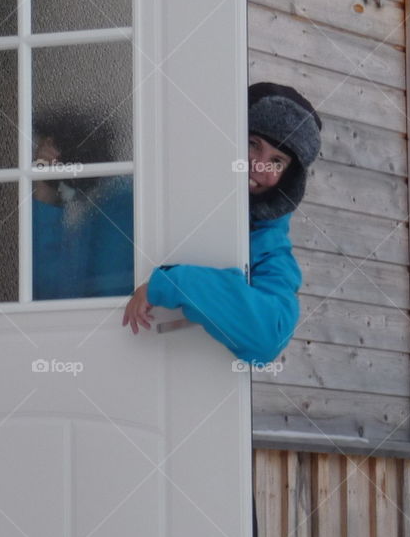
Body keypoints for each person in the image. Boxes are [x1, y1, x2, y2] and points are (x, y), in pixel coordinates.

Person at [121, 82, 322, 364]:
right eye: (253, 144)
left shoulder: (268, 242)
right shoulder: (154, 187)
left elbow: (268, 336)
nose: (259, 166)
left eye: (277, 161)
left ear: (287, 179)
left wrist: (173, 283)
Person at [32, 113, 134, 300]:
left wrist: (45, 193)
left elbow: (56, 294)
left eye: (41, 160)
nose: (38, 164)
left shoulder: (114, 216)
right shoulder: (111, 206)